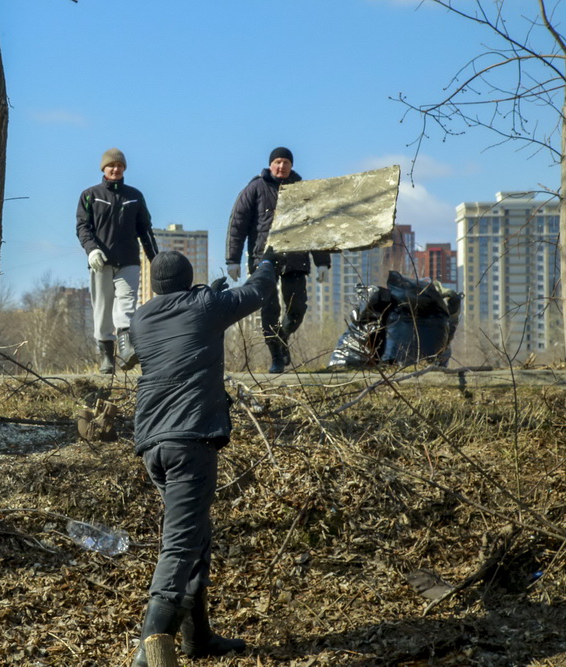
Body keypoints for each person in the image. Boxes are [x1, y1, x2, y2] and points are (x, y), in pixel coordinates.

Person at [127, 249, 279, 666]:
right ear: (188, 278)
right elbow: (258, 291)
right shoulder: (206, 305)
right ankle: (149, 653)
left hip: (153, 443)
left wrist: (203, 297)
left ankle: (197, 638)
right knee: (180, 544)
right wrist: (268, 263)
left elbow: (180, 325)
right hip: (190, 441)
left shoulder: (140, 319)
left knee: (195, 534)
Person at [225, 147, 331, 373]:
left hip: (296, 258)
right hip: (264, 259)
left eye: (286, 162)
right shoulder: (255, 188)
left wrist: (322, 261)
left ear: (291, 165)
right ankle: (276, 356)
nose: (281, 166)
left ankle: (282, 337)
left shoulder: (303, 190)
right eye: (278, 162)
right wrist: (232, 259)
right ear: (270, 164)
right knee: (269, 310)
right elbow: (238, 224)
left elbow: (315, 227)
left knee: (297, 308)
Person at [76, 148, 158, 374]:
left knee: (127, 302)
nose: (116, 169)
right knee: (102, 309)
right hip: (100, 262)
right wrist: (91, 250)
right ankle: (106, 359)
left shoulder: (134, 196)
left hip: (129, 260)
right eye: (111, 165)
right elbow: (82, 227)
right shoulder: (90, 195)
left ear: (124, 168)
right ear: (104, 168)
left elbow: (145, 230)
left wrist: (156, 260)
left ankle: (126, 350)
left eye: (120, 165)